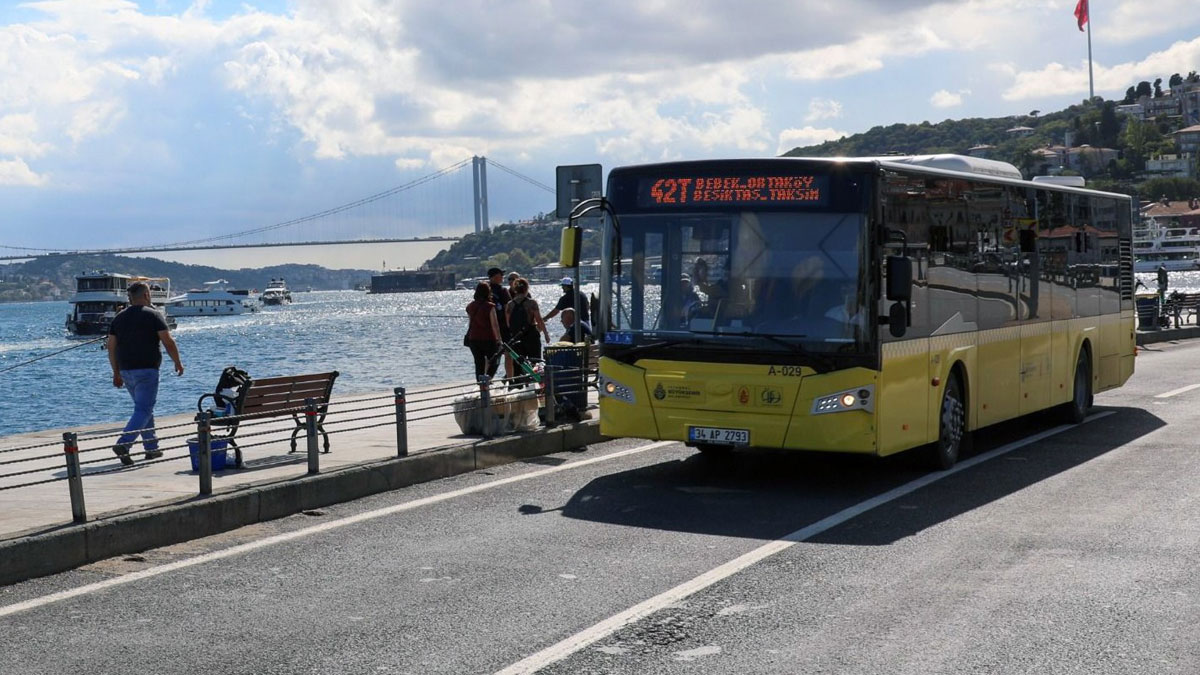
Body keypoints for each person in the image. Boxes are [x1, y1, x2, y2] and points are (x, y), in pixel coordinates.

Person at [107, 281, 184, 466]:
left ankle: (151, 448)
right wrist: (178, 362)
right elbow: (168, 341)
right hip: (147, 370)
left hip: (126, 370)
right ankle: (124, 444)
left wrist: (115, 372)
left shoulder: (119, 318)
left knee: (143, 408)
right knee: (144, 409)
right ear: (147, 296)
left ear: (130, 298)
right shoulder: (153, 315)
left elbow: (111, 347)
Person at [506, 277, 551, 377]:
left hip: (517, 336)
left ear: (515, 289)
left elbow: (508, 323)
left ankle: (518, 384)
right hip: (531, 335)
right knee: (536, 361)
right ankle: (536, 383)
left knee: (518, 362)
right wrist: (546, 334)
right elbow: (539, 320)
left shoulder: (510, 304)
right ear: (527, 288)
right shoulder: (532, 303)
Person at [465, 282, 501, 384]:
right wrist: (499, 340)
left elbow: (470, 322)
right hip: (489, 339)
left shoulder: (470, 306)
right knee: (494, 361)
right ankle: (488, 378)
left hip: (474, 339)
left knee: (479, 363)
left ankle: (480, 384)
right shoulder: (490, 306)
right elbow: (495, 325)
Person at [487, 267, 513, 377]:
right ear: (496, 276)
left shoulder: (484, 290)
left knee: (490, 356)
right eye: (501, 275)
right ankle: (510, 379)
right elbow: (508, 310)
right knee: (508, 354)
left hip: (488, 328)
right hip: (503, 327)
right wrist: (509, 325)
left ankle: (486, 379)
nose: (502, 277)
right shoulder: (503, 291)